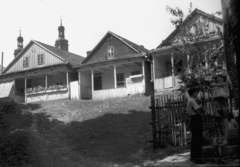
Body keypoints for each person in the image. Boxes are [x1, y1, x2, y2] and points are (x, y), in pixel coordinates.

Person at [186, 88, 205, 164]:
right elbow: (197, 111)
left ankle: (193, 156)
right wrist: (202, 113)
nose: (197, 93)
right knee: (198, 139)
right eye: (196, 92)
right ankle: (198, 158)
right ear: (193, 93)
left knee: (194, 139)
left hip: (192, 119)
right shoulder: (192, 100)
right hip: (196, 119)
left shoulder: (189, 100)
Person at [210, 74, 229, 146]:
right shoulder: (215, 86)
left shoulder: (225, 83)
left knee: (225, 121)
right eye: (217, 79)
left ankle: (225, 140)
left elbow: (213, 85)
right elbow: (211, 84)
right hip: (215, 102)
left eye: (220, 79)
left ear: (223, 79)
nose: (218, 80)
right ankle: (220, 138)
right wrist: (215, 84)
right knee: (217, 122)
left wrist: (216, 84)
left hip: (223, 101)